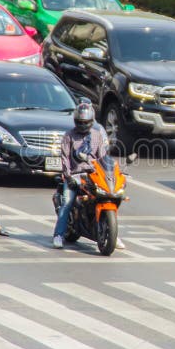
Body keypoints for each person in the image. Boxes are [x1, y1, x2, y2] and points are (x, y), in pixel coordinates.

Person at [52, 102, 108, 249]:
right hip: (75, 175)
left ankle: (110, 233)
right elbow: (64, 158)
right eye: (80, 122)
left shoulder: (97, 136)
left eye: (86, 122)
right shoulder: (69, 135)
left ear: (91, 121)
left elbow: (103, 158)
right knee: (67, 203)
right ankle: (58, 234)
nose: (83, 125)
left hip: (93, 176)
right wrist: (68, 176)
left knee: (107, 198)